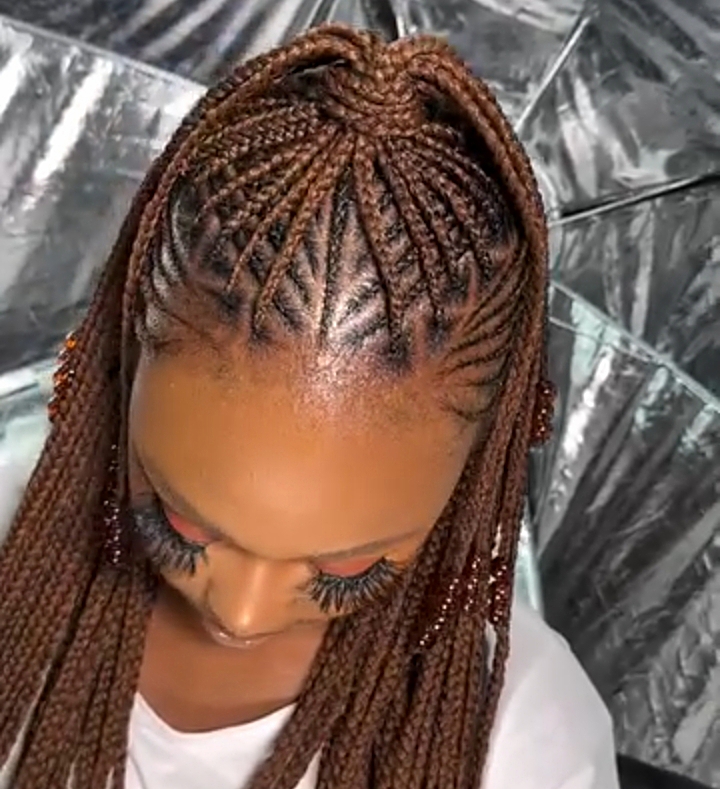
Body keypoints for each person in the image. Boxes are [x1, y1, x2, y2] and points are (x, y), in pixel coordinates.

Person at [0, 24, 619, 789]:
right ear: (126, 353)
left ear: (476, 465)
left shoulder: (519, 741)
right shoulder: (11, 551)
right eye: (183, 524)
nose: (244, 611)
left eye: (348, 568)